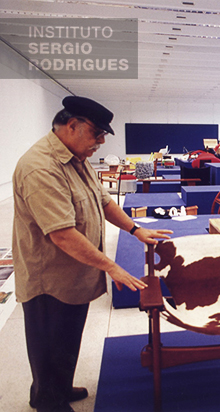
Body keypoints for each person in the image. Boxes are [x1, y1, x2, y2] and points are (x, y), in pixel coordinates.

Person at [12, 96, 173, 412]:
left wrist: (134, 229)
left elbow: (103, 201)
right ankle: (48, 401)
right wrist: (111, 266)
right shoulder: (40, 167)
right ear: (72, 125)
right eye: (97, 133)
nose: (101, 141)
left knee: (67, 338)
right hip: (49, 276)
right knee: (49, 340)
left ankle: (55, 387)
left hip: (73, 272)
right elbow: (61, 233)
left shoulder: (76, 158)